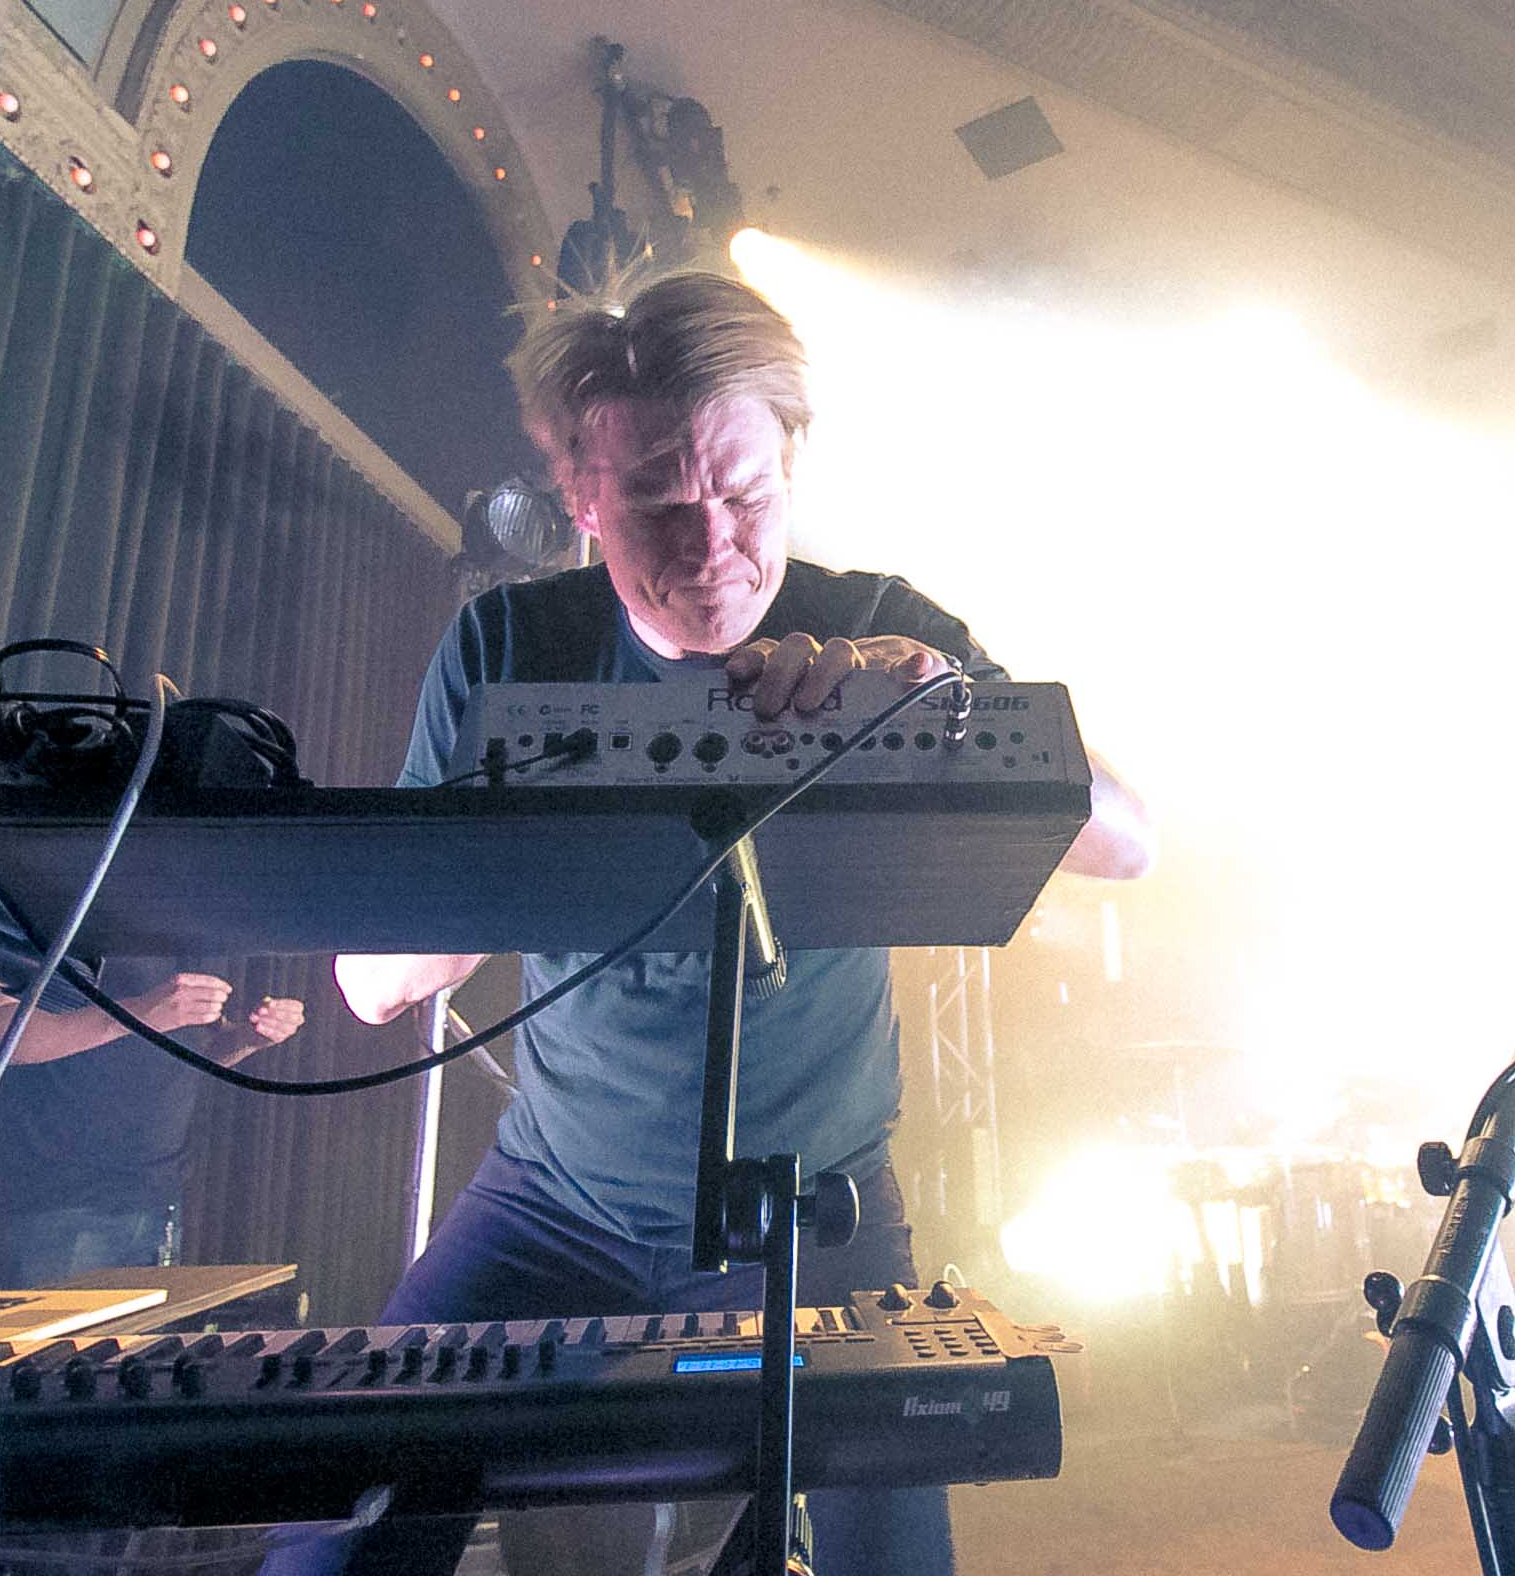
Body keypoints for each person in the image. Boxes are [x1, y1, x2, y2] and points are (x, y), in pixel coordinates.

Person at [281, 272, 1153, 1576]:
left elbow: (1127, 841)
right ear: (582, 497)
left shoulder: (880, 625)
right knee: (339, 1537)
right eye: (656, 504)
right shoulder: (510, 644)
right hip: (551, 1206)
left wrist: (940, 705)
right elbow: (369, 988)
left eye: (743, 496)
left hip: (818, 1211)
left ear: (793, 467)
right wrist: (496, 836)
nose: (709, 545)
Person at [0, 964, 306, 1285]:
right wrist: (138, 1014)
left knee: (146, 1339)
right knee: (55, 1339)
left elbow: (189, 1049)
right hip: (54, 1204)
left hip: (156, 1199)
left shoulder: (203, 923)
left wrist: (245, 1039)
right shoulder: (41, 913)